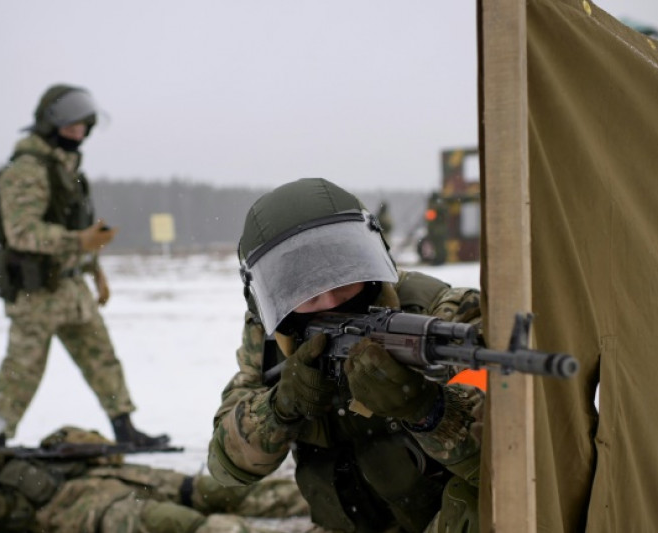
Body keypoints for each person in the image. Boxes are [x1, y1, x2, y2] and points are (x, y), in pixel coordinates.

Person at [207, 178, 484, 533]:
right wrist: (281, 405)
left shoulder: (442, 315)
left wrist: (427, 410)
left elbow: (507, 452)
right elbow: (226, 465)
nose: (331, 302)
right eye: (304, 292)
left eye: (342, 279)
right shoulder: (273, 338)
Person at [0, 83, 167, 448]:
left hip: (71, 287)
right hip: (36, 292)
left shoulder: (67, 169)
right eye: (71, 125)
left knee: (102, 360)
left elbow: (80, 229)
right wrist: (78, 242)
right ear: (50, 124)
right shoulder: (27, 169)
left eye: (84, 126)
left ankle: (125, 428)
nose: (79, 133)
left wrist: (95, 271)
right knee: (21, 373)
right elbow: (21, 232)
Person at [0, 393, 310, 532]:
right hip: (89, 512)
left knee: (217, 490)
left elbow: (108, 450)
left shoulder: (18, 453)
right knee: (177, 523)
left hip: (119, 478)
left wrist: (71, 441)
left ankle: (327, 505)